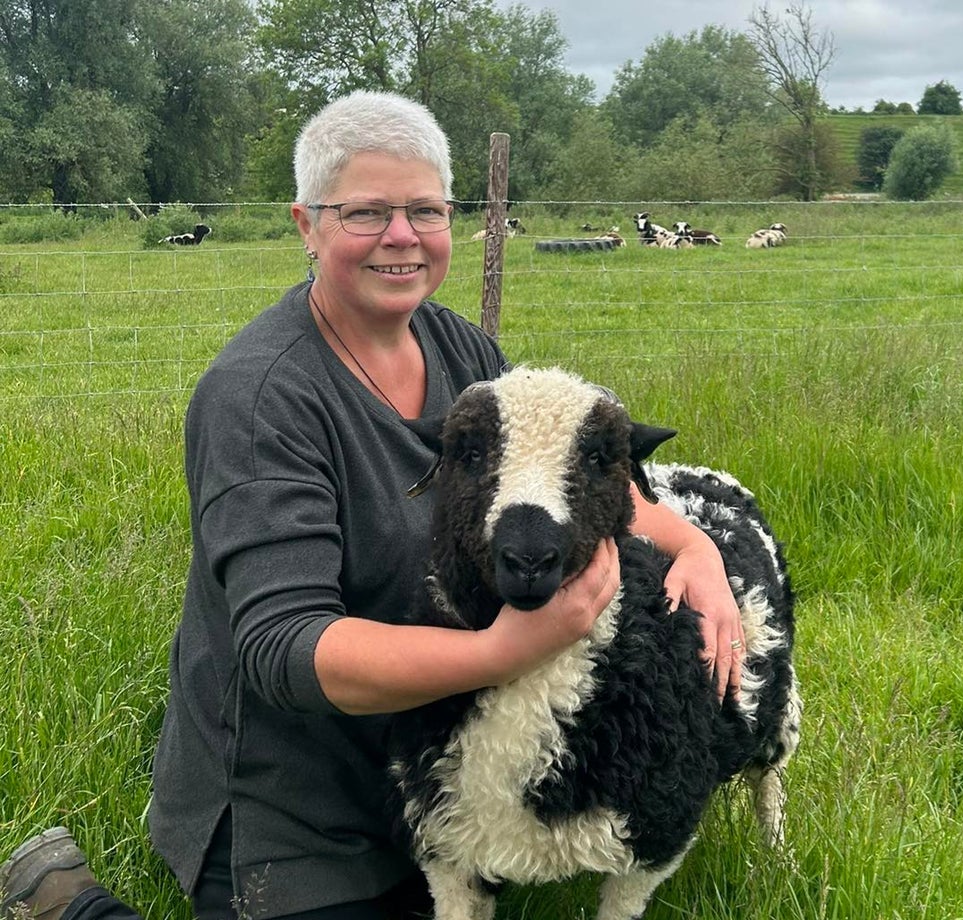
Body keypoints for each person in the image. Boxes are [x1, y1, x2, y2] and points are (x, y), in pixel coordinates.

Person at [0, 90, 747, 920]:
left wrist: (695, 551)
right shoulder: (260, 399)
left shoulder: (463, 349)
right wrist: (508, 652)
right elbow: (284, 650)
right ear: (306, 225)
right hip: (297, 796)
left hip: (442, 743)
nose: (401, 236)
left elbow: (560, 484)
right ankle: (68, 903)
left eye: (424, 210)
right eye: (365, 212)